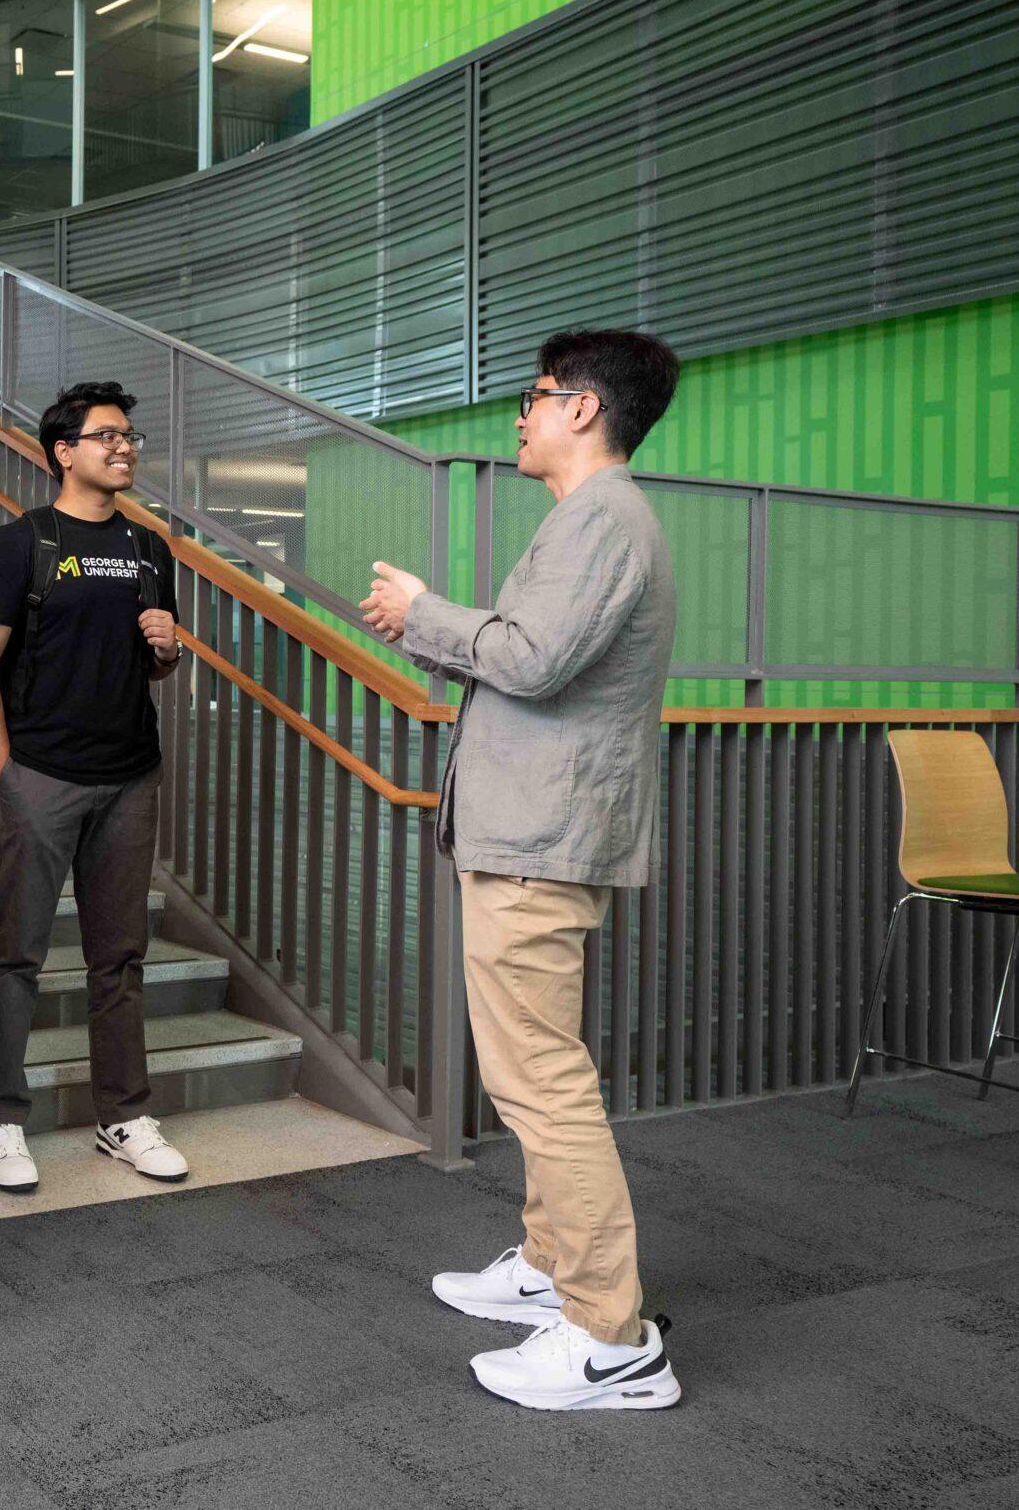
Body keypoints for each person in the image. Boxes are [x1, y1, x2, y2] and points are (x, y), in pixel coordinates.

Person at [359, 328, 683, 1413]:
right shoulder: (591, 518)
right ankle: (551, 1265)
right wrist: (434, 625)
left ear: (582, 408)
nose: (520, 415)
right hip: (532, 832)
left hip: (541, 838)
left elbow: (532, 660)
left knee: (541, 1080)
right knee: (535, 1070)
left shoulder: (602, 519)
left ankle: (609, 1336)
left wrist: (422, 613)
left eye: (535, 395)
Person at [0, 380, 186, 1194]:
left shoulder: (150, 548)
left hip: (129, 777)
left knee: (119, 957)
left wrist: (168, 647)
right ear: (63, 452)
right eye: (106, 436)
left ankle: (122, 1114)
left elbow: (149, 663)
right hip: (43, 776)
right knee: (16, 954)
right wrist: (8, 776)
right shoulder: (22, 543)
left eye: (129, 437)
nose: (124, 448)